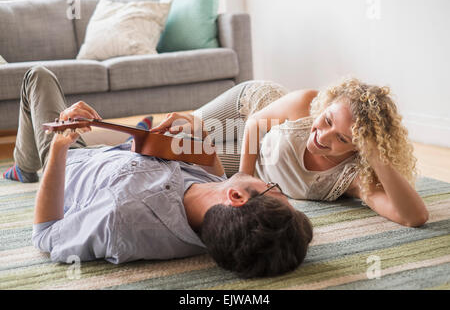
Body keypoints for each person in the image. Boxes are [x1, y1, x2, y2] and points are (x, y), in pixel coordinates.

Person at [3, 66, 313, 279]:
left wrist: (58, 148)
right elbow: (217, 181)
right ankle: (135, 134)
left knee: (37, 76)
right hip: (126, 156)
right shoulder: (221, 225)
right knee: (138, 135)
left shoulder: (120, 218)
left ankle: (26, 166)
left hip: (73, 160)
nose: (270, 182)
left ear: (237, 196)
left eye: (274, 188)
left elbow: (45, 234)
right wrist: (201, 137)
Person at [160, 79, 429, 228]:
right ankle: (140, 127)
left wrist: (376, 155)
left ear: (358, 148)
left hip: (262, 159)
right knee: (179, 127)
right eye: (327, 120)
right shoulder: (306, 104)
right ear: (326, 105)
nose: (322, 137)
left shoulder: (352, 178)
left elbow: (414, 217)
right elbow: (254, 123)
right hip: (253, 110)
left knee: (177, 149)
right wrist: (244, 177)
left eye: (342, 138)